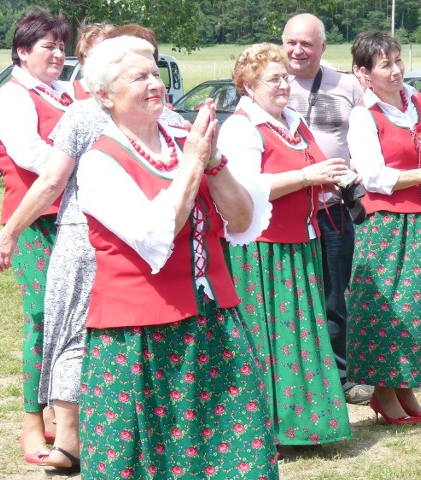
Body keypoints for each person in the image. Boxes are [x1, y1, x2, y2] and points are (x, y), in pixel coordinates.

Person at [74, 36, 278, 477]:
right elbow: (156, 235)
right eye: (139, 76)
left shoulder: (188, 141)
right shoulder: (99, 162)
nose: (155, 84)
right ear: (105, 95)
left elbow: (242, 221)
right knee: (151, 455)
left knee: (234, 445)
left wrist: (214, 161)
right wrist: (193, 161)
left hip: (212, 318)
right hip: (140, 333)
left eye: (156, 73)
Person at [0, 24, 187, 471]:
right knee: (82, 328)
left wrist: (9, 232)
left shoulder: (85, 110)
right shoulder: (147, 115)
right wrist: (13, 229)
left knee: (74, 332)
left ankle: (72, 439)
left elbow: (52, 182)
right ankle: (78, 434)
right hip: (128, 232)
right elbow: (41, 174)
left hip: (88, 232)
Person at [218, 42, 353, 447]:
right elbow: (245, 189)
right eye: (274, 79)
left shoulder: (290, 120)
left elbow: (307, 167)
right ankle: (265, 428)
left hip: (300, 241)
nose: (284, 85)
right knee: (267, 337)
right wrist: (309, 176)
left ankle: (303, 424)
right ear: (248, 84)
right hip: (262, 248)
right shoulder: (242, 127)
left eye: (285, 78)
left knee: (299, 335)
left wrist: (334, 175)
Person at [348, 31, 421, 424]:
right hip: (387, 224)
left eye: (398, 60)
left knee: (419, 306)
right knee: (393, 308)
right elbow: (373, 176)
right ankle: (383, 392)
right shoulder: (364, 114)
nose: (397, 70)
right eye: (386, 64)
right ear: (364, 74)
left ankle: (404, 388)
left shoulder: (414, 101)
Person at [281, 13, 371, 405]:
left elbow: (369, 132)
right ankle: (295, 378)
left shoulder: (347, 85)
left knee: (334, 294)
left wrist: (361, 171)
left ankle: (339, 377)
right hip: (286, 210)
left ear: (322, 48)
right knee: (290, 296)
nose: (297, 51)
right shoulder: (270, 83)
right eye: (291, 43)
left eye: (306, 44)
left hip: (332, 207)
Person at [0, 7, 71, 466]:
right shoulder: (11, 96)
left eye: (62, 46)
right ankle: (30, 420)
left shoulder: (64, 93)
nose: (58, 54)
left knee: (73, 317)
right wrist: (82, 169)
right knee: (42, 317)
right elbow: (28, 153)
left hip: (73, 219)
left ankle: (66, 421)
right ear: (22, 53)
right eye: (48, 46)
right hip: (33, 221)